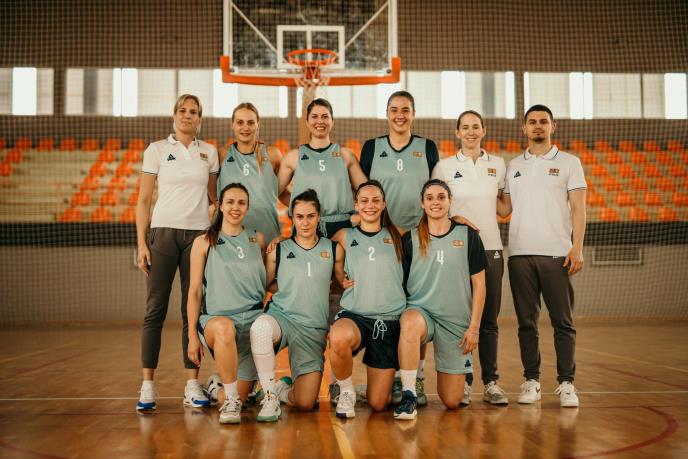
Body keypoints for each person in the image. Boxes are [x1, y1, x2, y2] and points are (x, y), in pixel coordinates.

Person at [499, 104, 586, 408]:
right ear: (524, 128)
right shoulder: (513, 165)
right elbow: (503, 209)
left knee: (563, 322)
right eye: (532, 122)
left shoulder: (569, 162)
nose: (538, 126)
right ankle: (531, 381)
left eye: (543, 121)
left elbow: (578, 207)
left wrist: (577, 247)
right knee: (526, 323)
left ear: (553, 127)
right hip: (520, 254)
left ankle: (567, 383)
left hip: (556, 255)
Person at [135, 94, 218, 412]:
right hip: (163, 235)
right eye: (182, 110)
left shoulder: (209, 152)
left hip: (197, 237)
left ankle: (192, 383)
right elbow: (144, 200)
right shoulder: (156, 150)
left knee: (191, 311)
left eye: (193, 112)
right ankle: (147, 385)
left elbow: (215, 199)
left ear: (200, 119)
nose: (187, 115)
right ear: (174, 115)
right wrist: (142, 244)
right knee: (154, 309)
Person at [431, 110, 509, 406]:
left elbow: (504, 208)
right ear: (457, 132)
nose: (471, 132)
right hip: (457, 249)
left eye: (476, 126)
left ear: (483, 130)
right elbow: (434, 205)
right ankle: (463, 382)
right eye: (465, 127)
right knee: (460, 318)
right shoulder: (444, 166)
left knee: (488, 320)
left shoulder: (498, 165)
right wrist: (454, 217)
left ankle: (491, 383)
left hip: (491, 248)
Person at [394, 179, 487, 420]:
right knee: (410, 323)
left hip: (455, 320)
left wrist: (474, 328)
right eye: (430, 198)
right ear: (422, 204)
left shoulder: (468, 235)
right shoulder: (410, 239)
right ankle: (409, 393)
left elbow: (479, 284)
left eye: (441, 197)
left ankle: (458, 375)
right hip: (421, 312)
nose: (435, 202)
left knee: (452, 401)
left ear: (450, 201)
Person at [249, 189, 344, 422]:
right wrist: (292, 290)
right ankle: (269, 397)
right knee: (260, 328)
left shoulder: (334, 249)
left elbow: (341, 285)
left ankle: (281, 390)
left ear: (319, 217)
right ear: (292, 217)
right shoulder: (279, 250)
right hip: (282, 317)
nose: (305, 222)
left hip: (312, 328)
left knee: (305, 402)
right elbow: (268, 284)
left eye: (310, 216)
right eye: (300, 216)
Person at [186, 183, 267, 424]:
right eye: (230, 202)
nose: (235, 207)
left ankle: (217, 389)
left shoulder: (257, 239)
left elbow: (267, 281)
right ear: (220, 205)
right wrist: (192, 335)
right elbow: (194, 291)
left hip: (251, 322)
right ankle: (230, 400)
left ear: (248, 207)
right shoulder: (204, 242)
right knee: (225, 327)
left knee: (240, 397)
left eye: (241, 203)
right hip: (217, 321)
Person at [328, 181, 406, 418]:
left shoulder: (399, 235)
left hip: (388, 320)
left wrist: (459, 220)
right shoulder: (344, 235)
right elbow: (312, 241)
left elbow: (432, 229)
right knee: (338, 336)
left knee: (378, 403)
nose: (369, 205)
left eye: (375, 200)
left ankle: (370, 389)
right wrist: (340, 277)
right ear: (356, 205)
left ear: (383, 204)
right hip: (356, 316)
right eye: (364, 201)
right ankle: (346, 391)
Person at [278, 98, 367, 238]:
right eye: (314, 116)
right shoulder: (293, 157)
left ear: (332, 121)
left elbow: (367, 192)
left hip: (340, 226)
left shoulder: (346, 156)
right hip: (305, 226)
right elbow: (276, 192)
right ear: (307, 122)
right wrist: (302, 207)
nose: (320, 121)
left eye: (325, 116)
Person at [217, 103, 284, 243]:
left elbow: (282, 193)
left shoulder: (272, 155)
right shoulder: (222, 155)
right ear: (232, 125)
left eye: (250, 122)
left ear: (258, 124)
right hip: (229, 235)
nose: (245, 127)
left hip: (267, 232)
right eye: (240, 122)